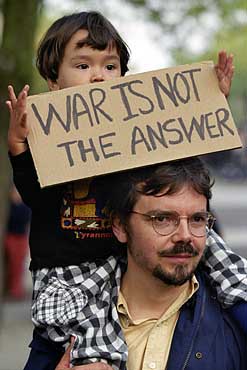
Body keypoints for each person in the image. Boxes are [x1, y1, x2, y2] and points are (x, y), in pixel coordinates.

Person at [6, 10, 247, 370]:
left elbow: (174, 164)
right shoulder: (45, 141)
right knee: (79, 341)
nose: (99, 75)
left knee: (218, 255)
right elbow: (33, 196)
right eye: (83, 66)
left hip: (126, 262)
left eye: (110, 66)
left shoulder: (132, 134)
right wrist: (20, 149)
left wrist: (208, 103)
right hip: (73, 274)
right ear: (54, 81)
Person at [56, 157, 247, 370]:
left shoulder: (234, 322)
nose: (185, 236)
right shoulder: (65, 321)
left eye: (197, 219)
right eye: (162, 219)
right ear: (120, 225)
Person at [4, 185, 31, 299]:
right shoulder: (9, 206)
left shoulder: (23, 207)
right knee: (12, 264)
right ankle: (13, 289)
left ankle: (16, 290)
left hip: (20, 237)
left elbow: (24, 219)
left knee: (18, 265)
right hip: (11, 237)